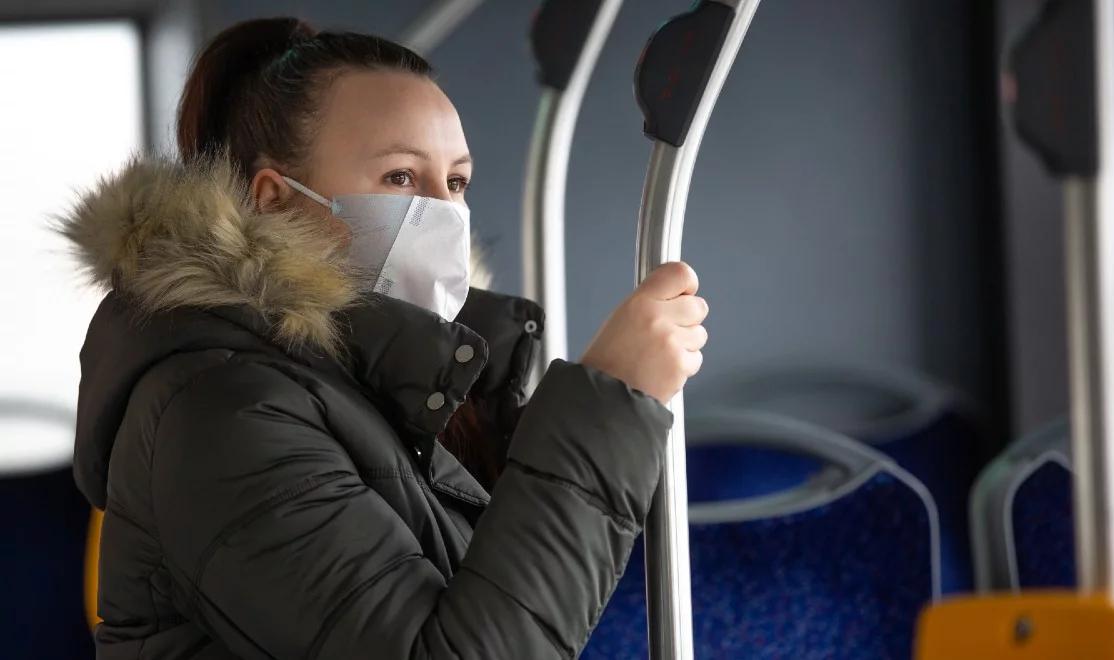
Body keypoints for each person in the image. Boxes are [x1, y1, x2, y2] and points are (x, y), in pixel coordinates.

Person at [59, 16, 708, 659]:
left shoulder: (390, 385)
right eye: (401, 178)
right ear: (275, 200)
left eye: (456, 182)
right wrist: (607, 405)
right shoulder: (219, 413)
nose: (445, 213)